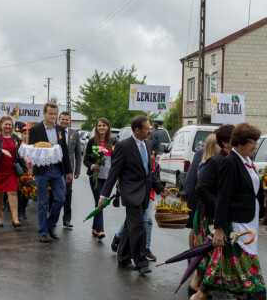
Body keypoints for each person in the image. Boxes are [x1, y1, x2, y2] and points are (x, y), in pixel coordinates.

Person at [192, 122, 267, 300]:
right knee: (254, 283)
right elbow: (223, 198)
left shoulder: (247, 161)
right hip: (237, 225)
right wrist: (219, 229)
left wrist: (261, 192)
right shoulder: (229, 162)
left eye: (256, 142)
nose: (255, 146)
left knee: (220, 267)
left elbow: (246, 186)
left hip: (248, 221)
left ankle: (200, 294)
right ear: (239, 142)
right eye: (252, 142)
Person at [99, 115, 169, 274]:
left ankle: (123, 258)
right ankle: (141, 262)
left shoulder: (148, 145)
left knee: (130, 226)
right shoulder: (123, 146)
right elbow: (113, 173)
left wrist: (160, 189)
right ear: (137, 130)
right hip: (130, 193)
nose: (150, 130)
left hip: (144, 192)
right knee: (138, 226)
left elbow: (149, 173)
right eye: (147, 128)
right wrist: (103, 196)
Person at [189, 124, 234, 295]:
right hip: (208, 214)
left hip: (220, 214)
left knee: (215, 251)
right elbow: (200, 188)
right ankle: (195, 285)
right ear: (225, 142)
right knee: (207, 250)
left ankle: (201, 287)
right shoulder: (215, 161)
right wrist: (220, 204)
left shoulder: (231, 160)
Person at [29, 102, 72, 243]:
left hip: (57, 169)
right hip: (42, 169)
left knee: (60, 198)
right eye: (51, 113)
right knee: (43, 202)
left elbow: (64, 151)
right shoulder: (35, 129)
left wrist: (68, 171)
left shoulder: (60, 129)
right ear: (44, 113)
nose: (53, 116)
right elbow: (33, 149)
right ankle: (42, 231)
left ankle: (50, 226)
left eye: (55, 113)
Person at [0, 115, 24, 228]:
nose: (8, 126)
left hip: (11, 170)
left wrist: (24, 168)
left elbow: (20, 154)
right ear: (1, 125)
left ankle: (15, 218)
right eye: (6, 124)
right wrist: (1, 150)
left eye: (10, 124)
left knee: (13, 192)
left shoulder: (15, 138)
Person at [84, 117, 113, 240]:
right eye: (99, 125)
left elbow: (116, 159)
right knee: (99, 201)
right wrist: (92, 166)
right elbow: (86, 159)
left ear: (107, 127)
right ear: (96, 127)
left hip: (108, 177)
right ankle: (100, 230)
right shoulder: (92, 141)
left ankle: (95, 228)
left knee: (101, 203)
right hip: (95, 176)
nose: (101, 128)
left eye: (104, 126)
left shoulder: (112, 141)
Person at [58, 112, 82, 228]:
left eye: (67, 120)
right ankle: (53, 218)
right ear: (59, 119)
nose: (65, 121)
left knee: (68, 193)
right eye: (63, 119)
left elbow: (78, 154)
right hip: (56, 168)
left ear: (70, 120)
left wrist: (77, 170)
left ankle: (67, 219)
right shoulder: (55, 132)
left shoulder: (74, 134)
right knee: (54, 194)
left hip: (69, 170)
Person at [181, 146, 204, 248]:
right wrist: (185, 195)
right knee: (196, 228)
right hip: (198, 198)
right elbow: (191, 176)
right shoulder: (201, 153)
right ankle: (192, 255)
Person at [17, 125, 30, 220]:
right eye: (25, 133)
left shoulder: (33, 145)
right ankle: (19, 211)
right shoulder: (19, 145)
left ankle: (23, 211)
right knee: (19, 192)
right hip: (20, 171)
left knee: (26, 191)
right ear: (21, 134)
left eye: (28, 134)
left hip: (30, 172)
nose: (27, 136)